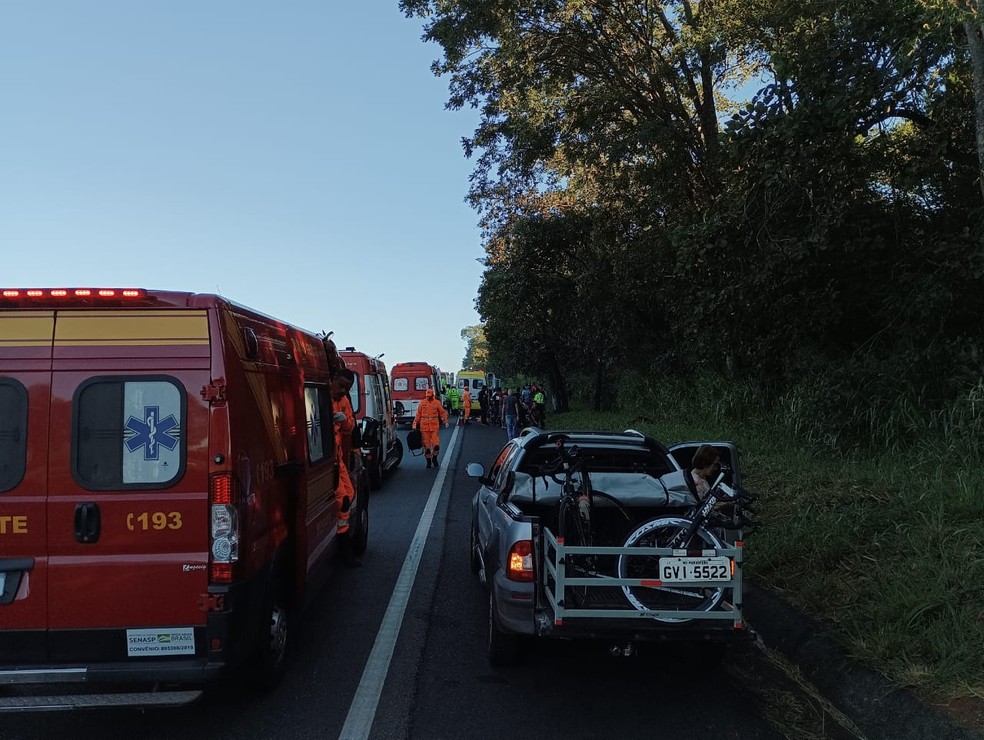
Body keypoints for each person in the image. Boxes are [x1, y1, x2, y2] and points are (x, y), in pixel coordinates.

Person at [331, 368, 361, 567]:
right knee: (342, 499)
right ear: (332, 379)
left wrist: (344, 421)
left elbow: (350, 425)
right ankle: (341, 548)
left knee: (349, 494)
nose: (342, 391)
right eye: (341, 386)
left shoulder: (343, 402)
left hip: (338, 457)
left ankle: (340, 539)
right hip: (327, 460)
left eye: (346, 388)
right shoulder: (320, 396)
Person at [412, 387, 449, 468]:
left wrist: (445, 421)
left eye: (429, 396)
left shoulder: (437, 403)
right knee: (427, 447)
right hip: (424, 428)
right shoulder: (422, 403)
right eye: (427, 396)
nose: (428, 397)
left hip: (434, 427)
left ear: (433, 395)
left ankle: (435, 458)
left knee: (436, 445)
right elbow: (418, 415)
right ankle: (428, 462)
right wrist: (415, 424)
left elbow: (442, 413)